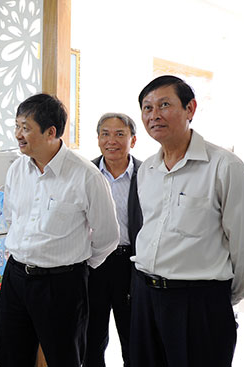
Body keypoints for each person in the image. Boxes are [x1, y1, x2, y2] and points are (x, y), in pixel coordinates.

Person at [131, 75, 244, 367]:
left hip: (198, 302)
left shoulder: (224, 166)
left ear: (190, 109)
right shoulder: (147, 170)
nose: (154, 115)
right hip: (145, 297)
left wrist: (218, 297)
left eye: (164, 105)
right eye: (147, 108)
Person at [0, 93, 120, 367]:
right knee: (11, 355)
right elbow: (11, 219)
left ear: (51, 131)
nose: (18, 134)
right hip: (16, 277)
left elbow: (108, 236)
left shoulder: (86, 175)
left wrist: (74, 267)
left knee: (64, 358)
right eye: (17, 126)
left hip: (62, 285)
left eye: (26, 128)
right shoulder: (17, 169)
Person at [85, 113, 143, 367]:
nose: (112, 140)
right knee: (91, 338)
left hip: (131, 263)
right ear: (98, 139)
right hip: (94, 263)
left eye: (120, 134)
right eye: (105, 134)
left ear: (133, 139)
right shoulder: (85, 173)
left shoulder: (148, 174)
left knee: (135, 338)